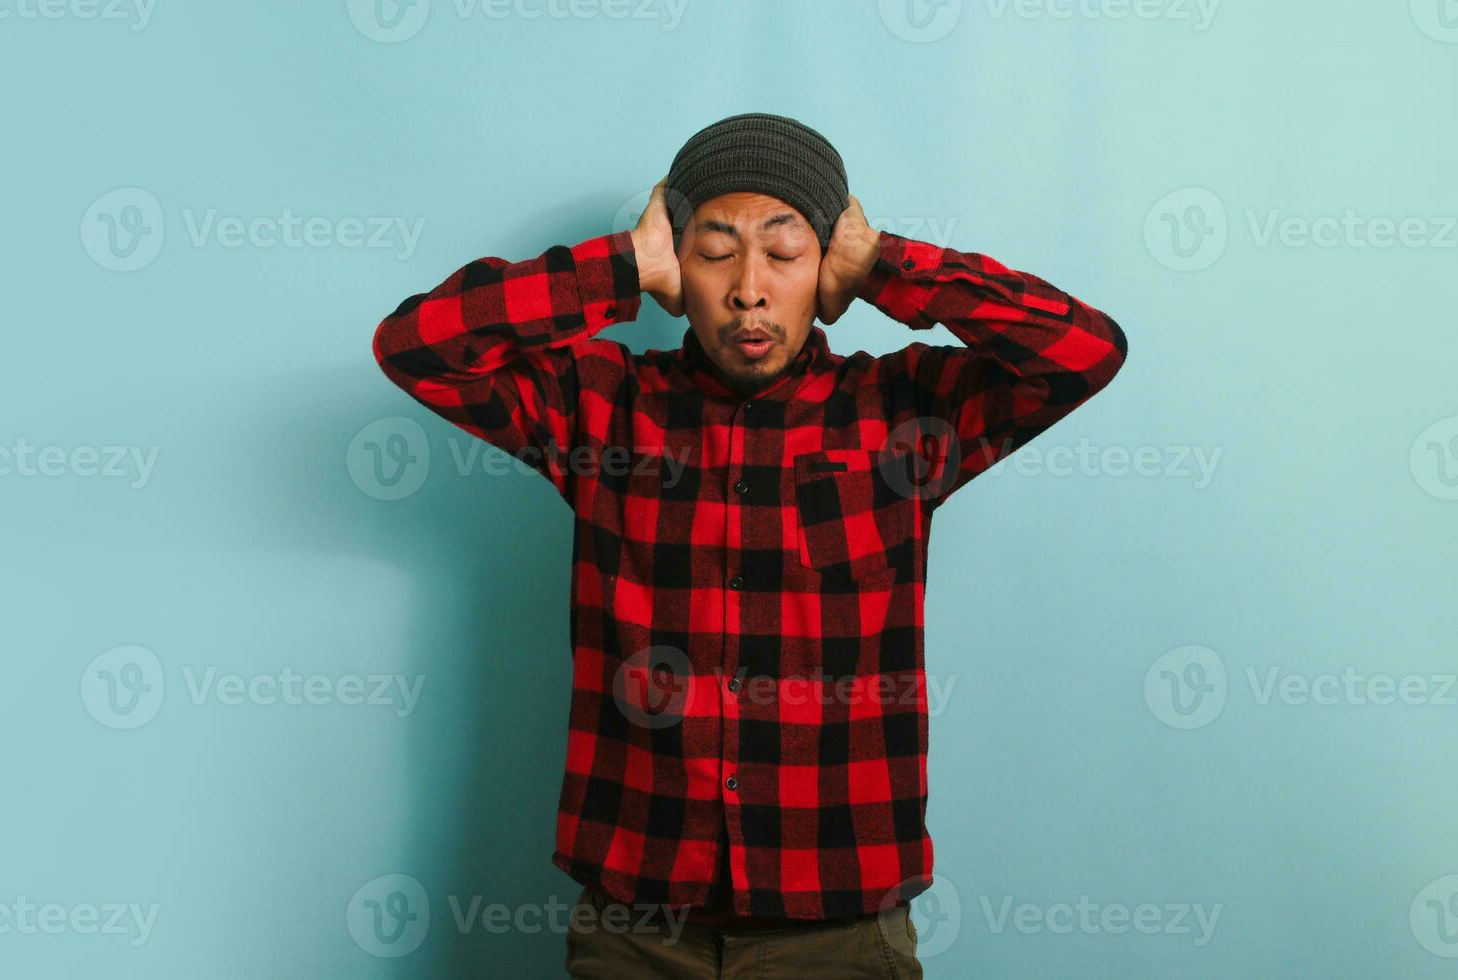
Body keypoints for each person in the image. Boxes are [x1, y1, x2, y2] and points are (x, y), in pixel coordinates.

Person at [371, 111, 1128, 977]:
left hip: (838, 928)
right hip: (635, 927)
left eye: (785, 250)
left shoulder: (905, 417)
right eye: (714, 248)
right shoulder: (598, 409)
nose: (749, 289)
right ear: (676, 263)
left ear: (826, 267)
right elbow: (416, 345)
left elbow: (1084, 351)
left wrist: (887, 266)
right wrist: (623, 265)